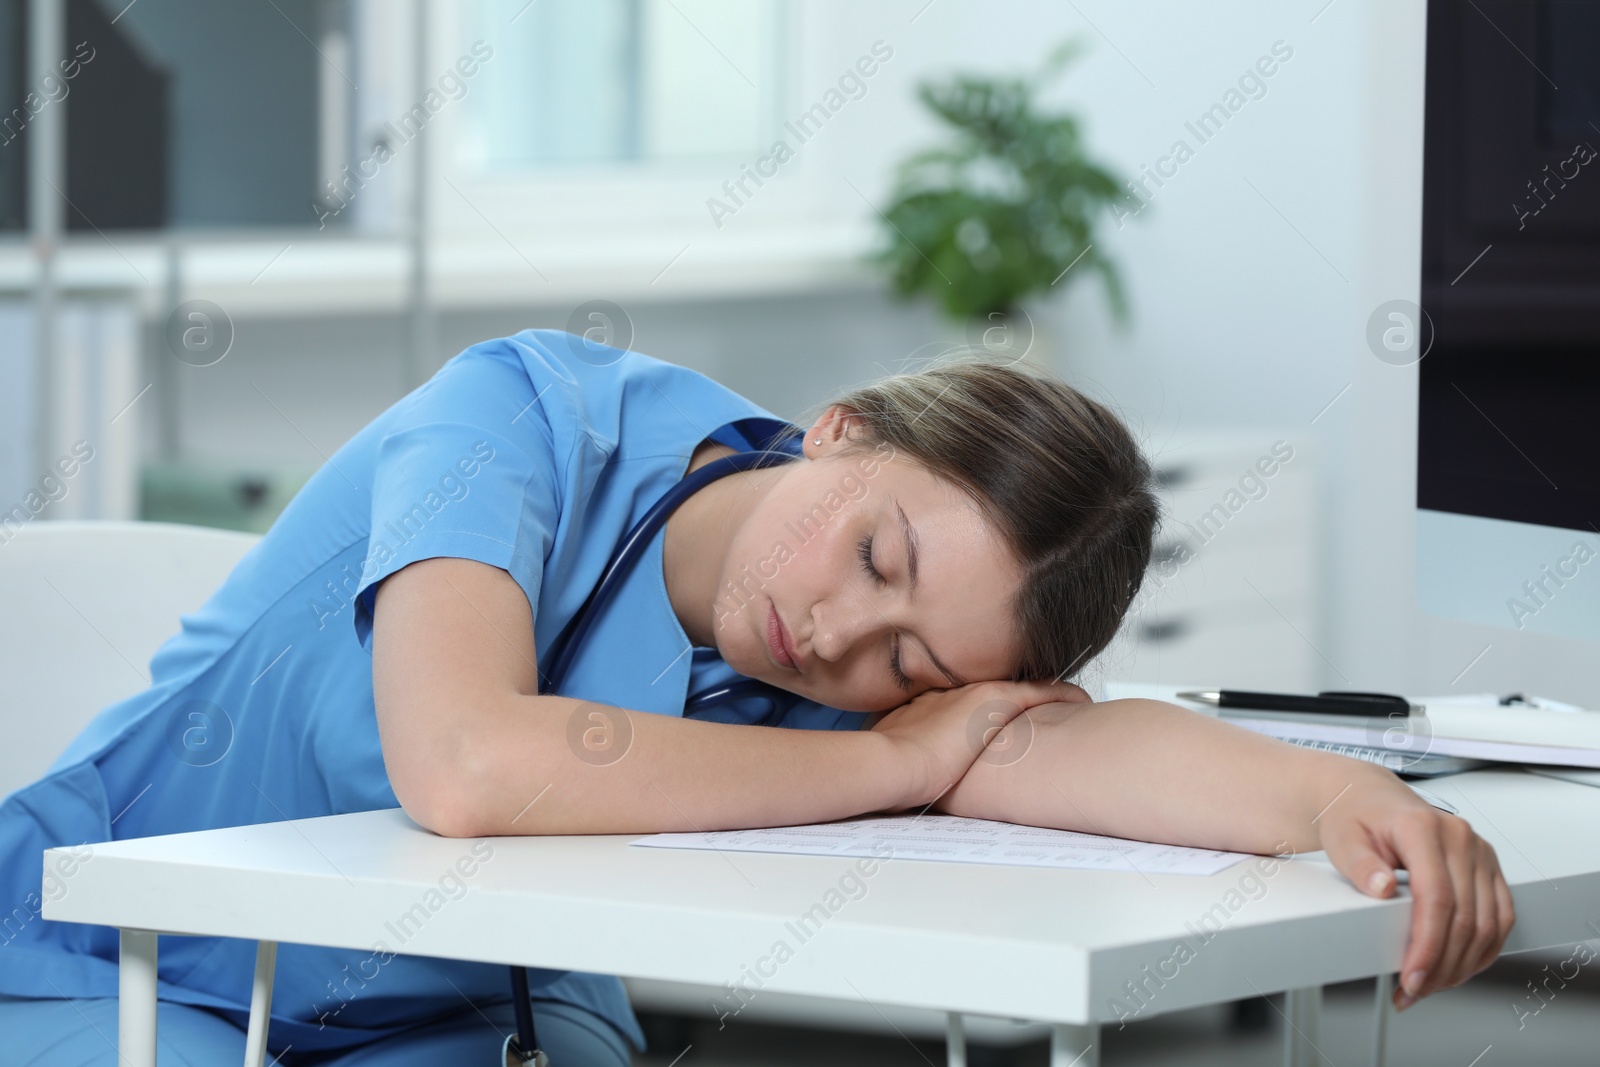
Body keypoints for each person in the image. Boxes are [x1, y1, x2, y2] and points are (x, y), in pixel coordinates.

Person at [0, 329, 1512, 1065]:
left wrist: (1334, 801)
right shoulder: (518, 416)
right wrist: (889, 760)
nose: (839, 635)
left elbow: (1067, 747)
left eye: (914, 660)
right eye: (872, 548)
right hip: (119, 966)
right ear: (838, 428)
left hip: (469, 1013)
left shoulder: (900, 689)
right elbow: (464, 766)